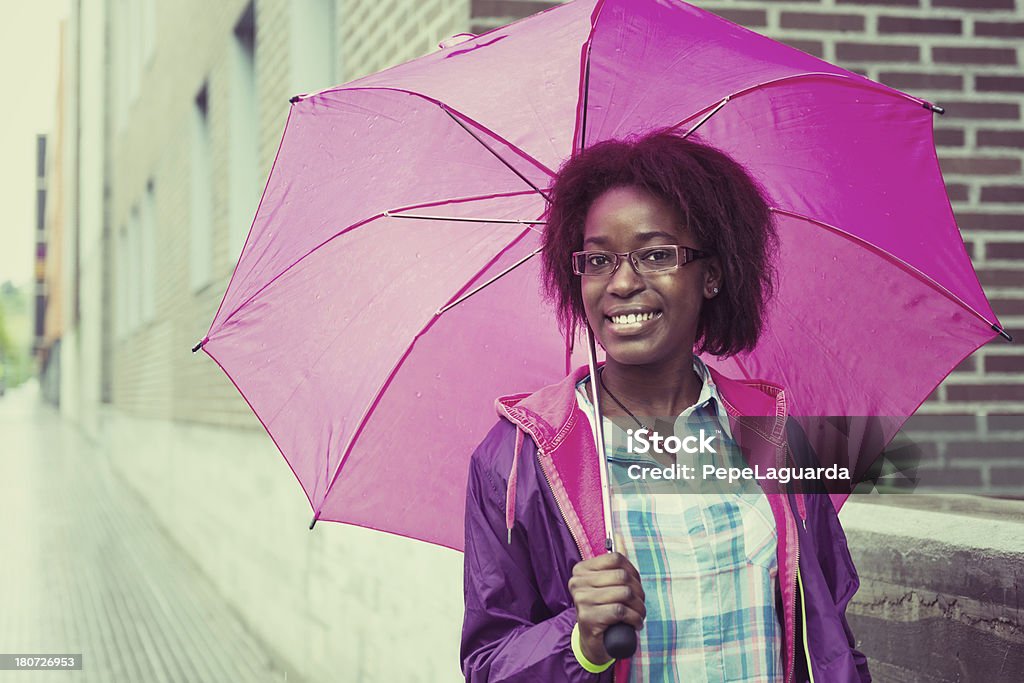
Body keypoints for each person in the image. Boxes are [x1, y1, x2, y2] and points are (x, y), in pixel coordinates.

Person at [461, 130, 870, 682]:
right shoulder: (516, 460)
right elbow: (487, 663)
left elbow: (832, 638)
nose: (623, 282)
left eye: (656, 255)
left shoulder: (777, 431)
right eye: (599, 260)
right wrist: (579, 642)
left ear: (713, 275)